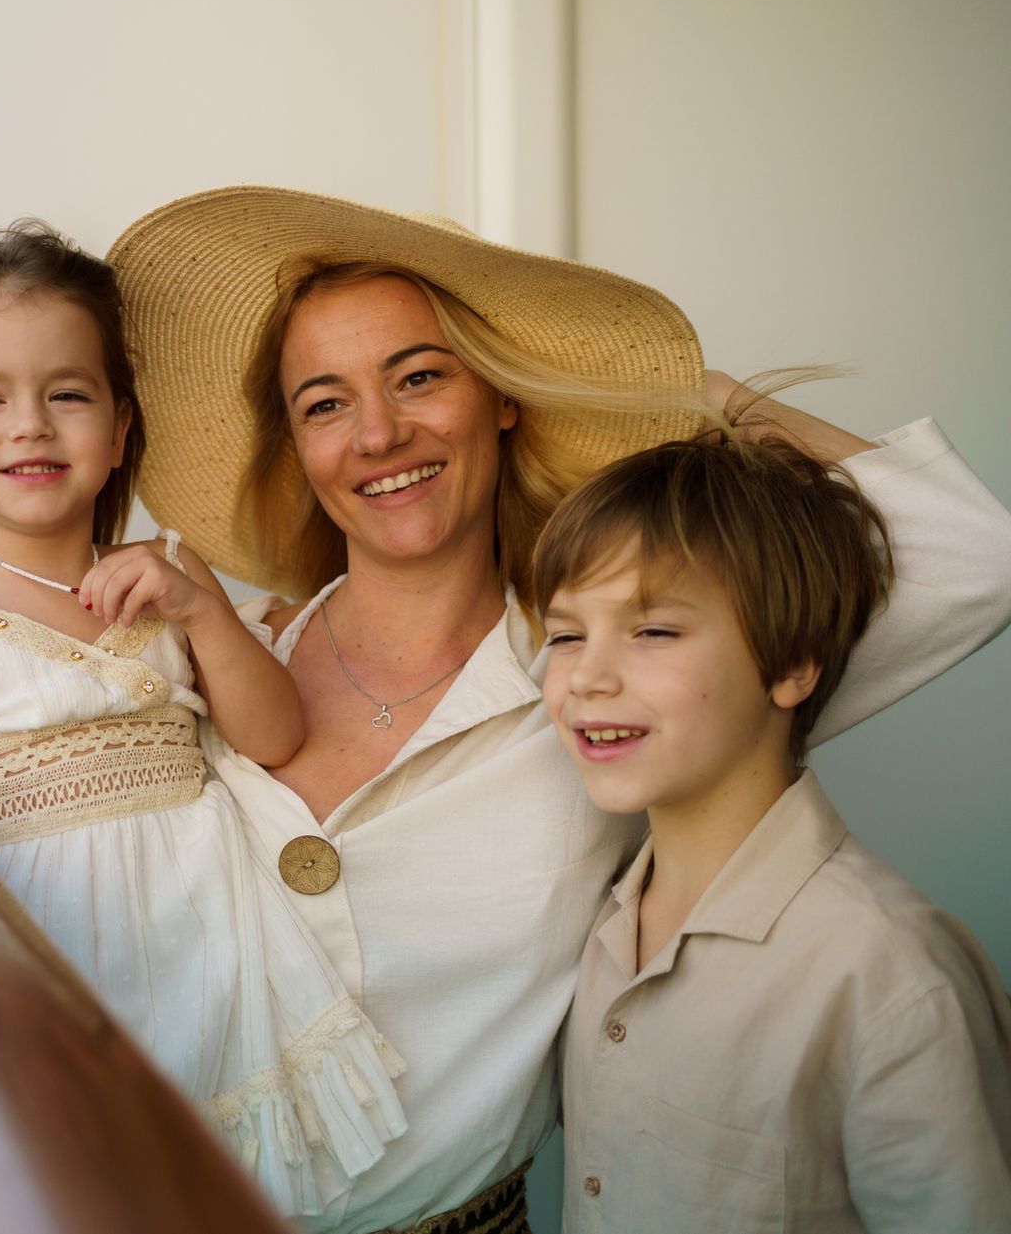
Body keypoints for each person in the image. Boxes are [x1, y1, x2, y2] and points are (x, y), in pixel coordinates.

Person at [107, 185, 1011, 1233]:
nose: (379, 433)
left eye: (420, 376)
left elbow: (972, 560)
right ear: (299, 451)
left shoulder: (606, 681)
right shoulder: (217, 649)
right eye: (325, 404)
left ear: (500, 393)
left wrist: (686, 394)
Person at [0, 221, 408, 1217]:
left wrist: (199, 607)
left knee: (228, 1184)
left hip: (208, 940)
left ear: (119, 431)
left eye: (66, 394)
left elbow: (276, 734)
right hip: (54, 943)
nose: (29, 424)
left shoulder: (173, 572)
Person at [533, 433, 1011, 1232]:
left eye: (654, 630)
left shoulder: (888, 971)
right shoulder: (601, 922)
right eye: (565, 634)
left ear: (795, 662)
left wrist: (720, 402)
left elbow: (980, 553)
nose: (586, 675)